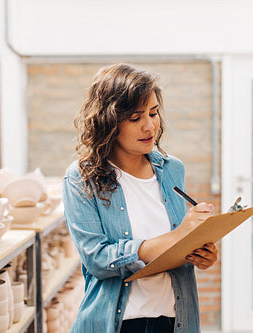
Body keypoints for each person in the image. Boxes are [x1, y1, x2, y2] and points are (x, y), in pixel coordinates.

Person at [62, 63, 218, 333]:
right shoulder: (81, 177)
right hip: (118, 324)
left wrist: (198, 252)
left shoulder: (172, 169)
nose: (150, 126)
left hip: (174, 320)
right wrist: (178, 236)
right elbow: (97, 259)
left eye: (154, 113)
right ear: (108, 122)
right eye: (135, 118)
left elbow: (174, 247)